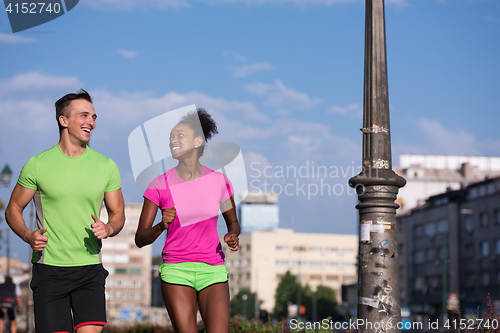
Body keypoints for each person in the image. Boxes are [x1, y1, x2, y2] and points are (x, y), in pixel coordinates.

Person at [5, 89, 125, 333]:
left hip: (89, 268)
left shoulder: (106, 166)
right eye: (83, 115)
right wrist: (28, 235)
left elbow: (119, 213)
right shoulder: (37, 164)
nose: (90, 122)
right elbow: (13, 209)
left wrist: (110, 227)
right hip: (49, 271)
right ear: (63, 120)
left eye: (93, 117)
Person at [135, 108, 240, 333]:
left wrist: (233, 234)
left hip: (213, 269)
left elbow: (233, 222)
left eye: (180, 135)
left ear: (197, 141)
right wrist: (161, 225)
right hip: (176, 270)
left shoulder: (219, 181)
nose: (173, 140)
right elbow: (140, 238)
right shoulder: (158, 184)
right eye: (171, 137)